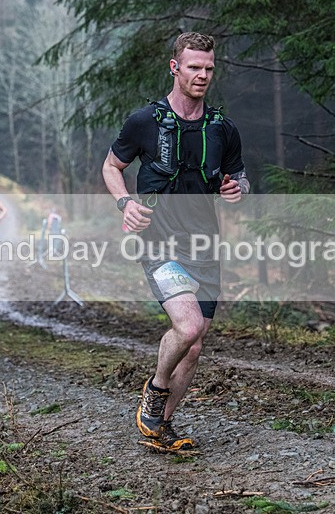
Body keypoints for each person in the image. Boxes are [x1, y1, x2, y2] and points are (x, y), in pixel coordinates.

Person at [101, 32, 250, 451]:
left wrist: (237, 189)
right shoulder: (145, 121)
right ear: (175, 67)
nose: (202, 75)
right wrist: (124, 203)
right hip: (157, 241)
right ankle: (155, 388)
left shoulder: (222, 128)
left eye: (208, 68)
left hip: (204, 245)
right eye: (194, 67)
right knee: (186, 327)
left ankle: (160, 426)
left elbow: (239, 177)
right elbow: (112, 166)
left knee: (196, 342)